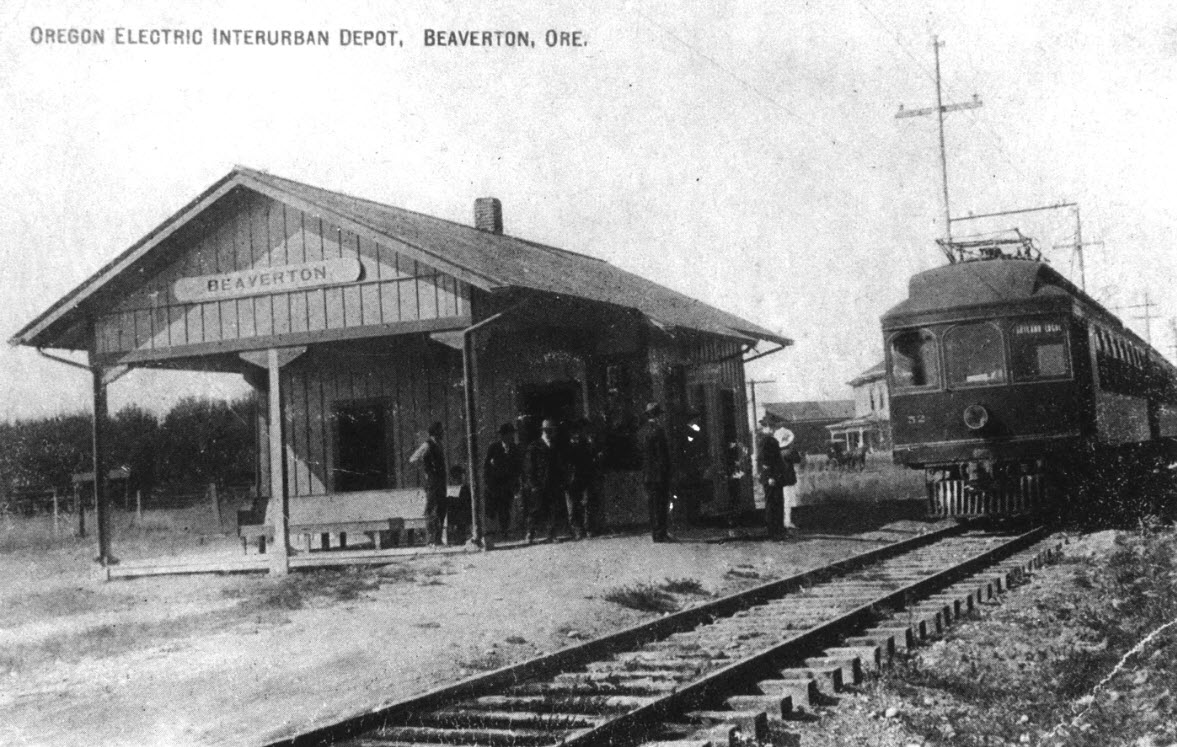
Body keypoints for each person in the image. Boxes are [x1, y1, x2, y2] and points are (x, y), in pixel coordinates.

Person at [522, 418, 565, 543]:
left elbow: (559, 464)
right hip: (539, 483)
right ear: (543, 431)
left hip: (552, 482)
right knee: (535, 509)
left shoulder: (555, 445)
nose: (549, 433)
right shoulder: (534, 446)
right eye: (546, 430)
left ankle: (552, 534)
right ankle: (530, 534)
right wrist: (533, 484)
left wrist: (560, 480)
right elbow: (529, 467)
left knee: (553, 509)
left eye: (551, 430)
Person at [637, 402, 672, 542]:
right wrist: (667, 471)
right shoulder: (658, 431)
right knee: (661, 504)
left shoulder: (642, 431)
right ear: (658, 416)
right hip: (659, 475)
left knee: (652, 505)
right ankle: (661, 533)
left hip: (647, 474)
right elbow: (662, 455)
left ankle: (655, 533)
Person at [409, 421, 446, 546]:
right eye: (440, 430)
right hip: (432, 482)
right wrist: (426, 468)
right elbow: (413, 459)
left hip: (440, 481)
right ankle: (431, 540)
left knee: (441, 509)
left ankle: (438, 539)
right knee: (431, 510)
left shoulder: (439, 444)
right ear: (435, 432)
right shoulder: (427, 445)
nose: (443, 432)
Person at [483, 422, 521, 535]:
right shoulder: (494, 448)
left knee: (505, 508)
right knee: (492, 509)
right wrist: (488, 483)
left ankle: (505, 531)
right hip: (495, 484)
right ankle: (492, 532)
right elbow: (487, 466)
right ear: (503, 436)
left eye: (512, 434)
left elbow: (517, 467)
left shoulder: (514, 448)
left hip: (508, 484)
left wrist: (515, 483)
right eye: (508, 434)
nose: (511, 437)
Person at [564, 418, 597, 539]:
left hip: (584, 477)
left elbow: (592, 457)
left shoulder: (586, 443)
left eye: (580, 431)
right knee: (572, 507)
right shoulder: (566, 445)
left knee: (587, 503)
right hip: (570, 479)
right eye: (575, 431)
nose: (577, 434)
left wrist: (591, 445)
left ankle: (588, 528)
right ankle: (577, 529)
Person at [757, 421, 786, 539]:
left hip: (776, 477)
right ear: (764, 428)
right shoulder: (765, 441)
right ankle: (773, 530)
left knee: (778, 502)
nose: (772, 429)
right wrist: (770, 476)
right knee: (771, 503)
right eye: (769, 427)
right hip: (771, 477)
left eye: (773, 427)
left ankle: (779, 529)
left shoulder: (772, 440)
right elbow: (764, 461)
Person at [775, 427, 802, 530]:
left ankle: (781, 521)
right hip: (788, 478)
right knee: (788, 500)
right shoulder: (790, 451)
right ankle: (787, 521)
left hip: (779, 478)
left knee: (781, 500)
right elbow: (798, 460)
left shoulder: (777, 452)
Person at [446, 464, 472, 546]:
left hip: (462, 513)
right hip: (455, 513)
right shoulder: (451, 488)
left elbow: (466, 502)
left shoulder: (464, 488)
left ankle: (460, 538)